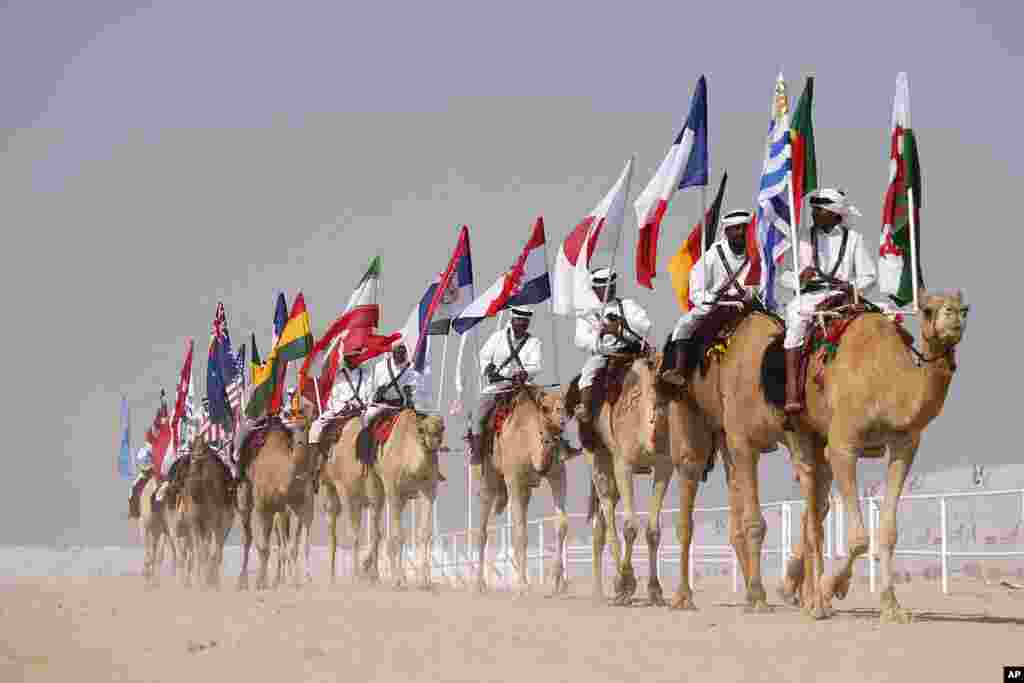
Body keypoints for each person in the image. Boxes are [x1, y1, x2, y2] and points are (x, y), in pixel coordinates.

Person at [779, 187, 877, 414]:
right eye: (814, 209)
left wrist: (852, 286)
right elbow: (783, 275)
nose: (814, 213)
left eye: (819, 210)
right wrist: (799, 279)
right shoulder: (802, 237)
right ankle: (792, 391)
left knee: (878, 322)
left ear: (835, 213)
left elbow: (869, 276)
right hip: (809, 297)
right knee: (796, 323)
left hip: (842, 297)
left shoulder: (854, 239)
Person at [661, 209, 757, 386]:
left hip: (746, 304)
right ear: (727, 231)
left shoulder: (756, 253)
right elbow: (696, 285)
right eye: (736, 229)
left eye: (744, 228)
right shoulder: (714, 255)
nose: (741, 232)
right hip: (716, 303)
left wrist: (749, 294)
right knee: (683, 324)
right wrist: (709, 299)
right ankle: (680, 371)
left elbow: (760, 282)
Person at [573, 267, 652, 424]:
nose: (610, 290)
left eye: (612, 286)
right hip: (606, 354)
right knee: (587, 373)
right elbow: (580, 339)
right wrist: (601, 333)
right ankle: (585, 408)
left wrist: (621, 327)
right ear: (595, 289)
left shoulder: (627, 305)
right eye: (605, 287)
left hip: (634, 352)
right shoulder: (587, 313)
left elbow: (646, 326)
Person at [467, 306, 542, 461]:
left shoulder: (534, 342)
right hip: (498, 386)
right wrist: (488, 368)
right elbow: (483, 356)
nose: (522, 324)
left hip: (524, 386)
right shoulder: (497, 337)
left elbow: (536, 365)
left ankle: (561, 446)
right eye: (519, 320)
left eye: (525, 322)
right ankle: (477, 451)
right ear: (512, 320)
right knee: (478, 412)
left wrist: (525, 373)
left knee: (551, 407)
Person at [309, 350, 369, 446]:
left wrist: (361, 405)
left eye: (356, 357)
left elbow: (369, 394)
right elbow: (333, 398)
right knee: (316, 425)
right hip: (340, 410)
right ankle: (315, 448)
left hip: (360, 410)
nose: (354, 360)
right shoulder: (338, 376)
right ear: (346, 359)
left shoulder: (366, 374)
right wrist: (343, 407)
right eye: (351, 358)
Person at [363, 339, 426, 429]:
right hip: (381, 403)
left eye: (403, 351)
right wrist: (375, 395)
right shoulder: (381, 367)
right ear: (393, 353)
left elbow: (414, 390)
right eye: (398, 351)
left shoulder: (411, 369)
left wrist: (409, 397)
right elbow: (371, 387)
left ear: (406, 352)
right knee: (367, 416)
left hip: (399, 406)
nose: (400, 354)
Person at [128, 445, 154, 518]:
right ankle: (133, 510)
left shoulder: (153, 449)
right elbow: (140, 463)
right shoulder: (143, 450)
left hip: (153, 473)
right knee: (132, 488)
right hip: (144, 473)